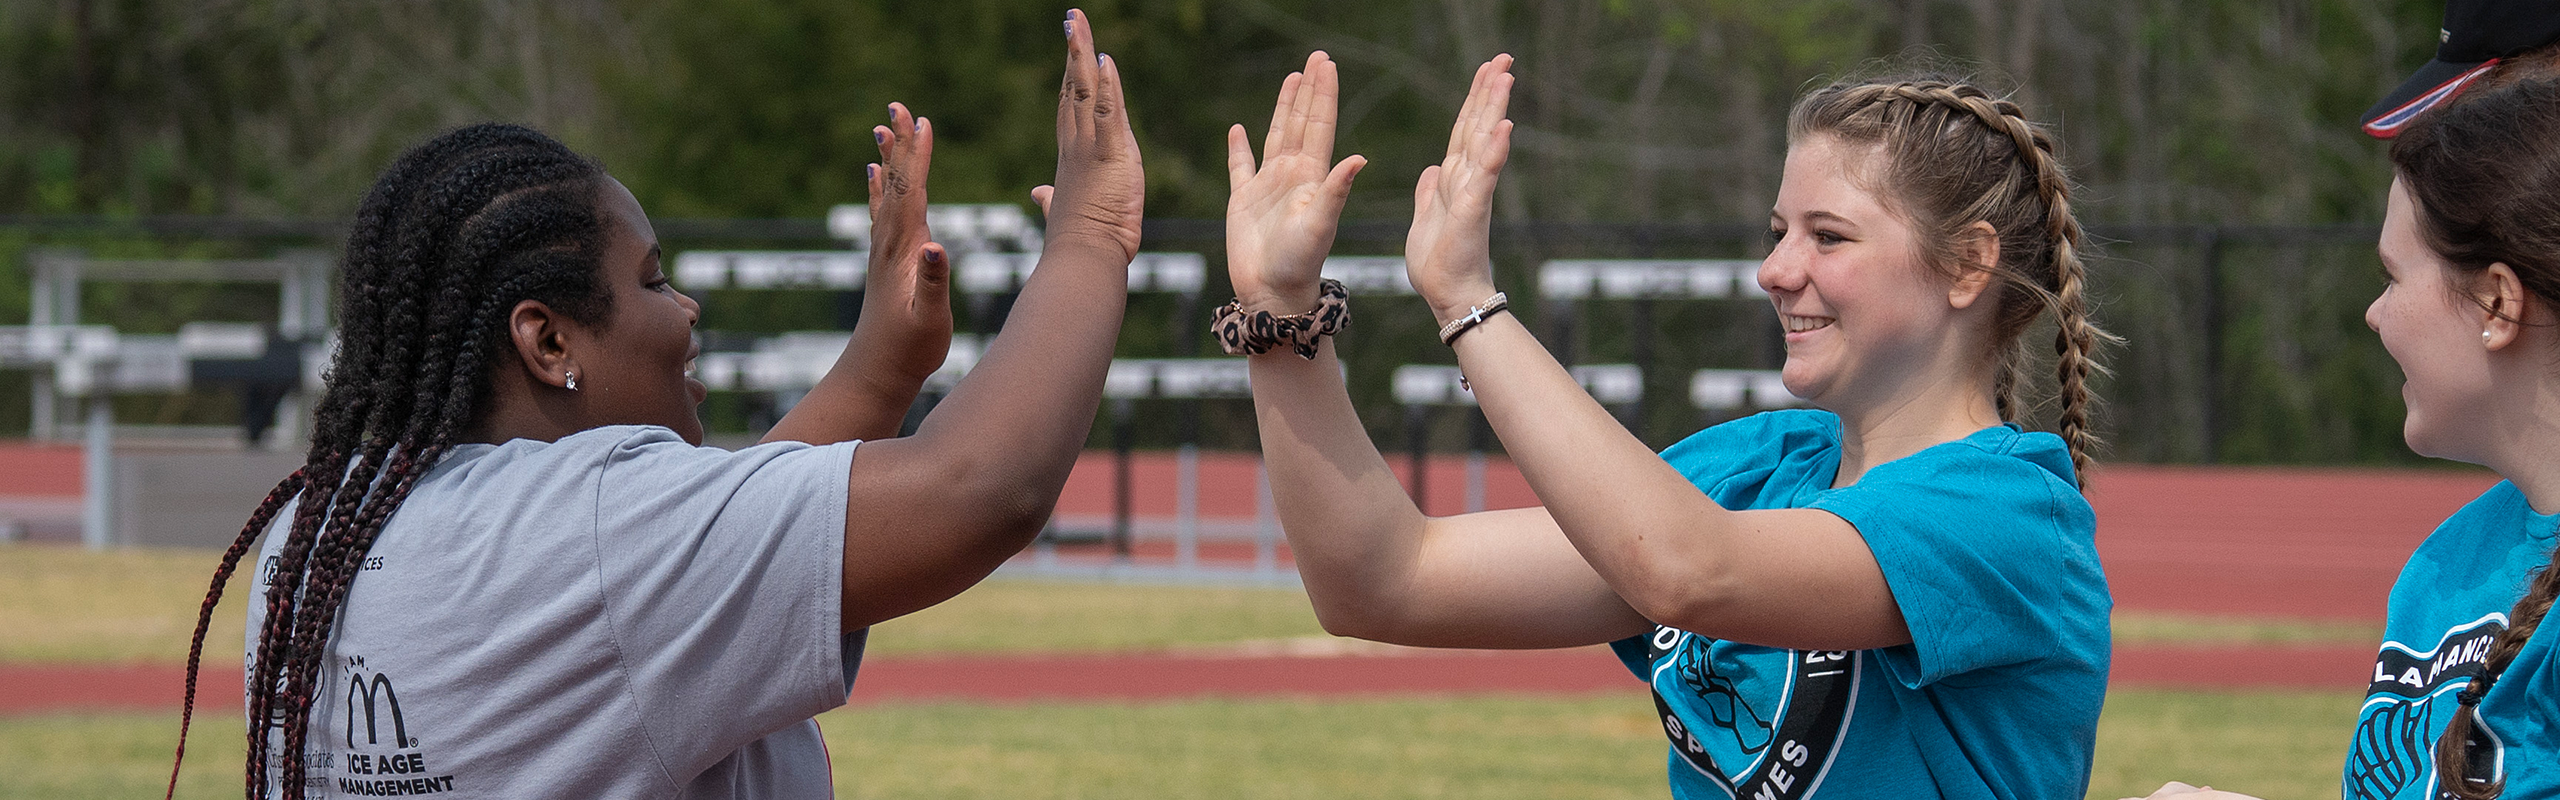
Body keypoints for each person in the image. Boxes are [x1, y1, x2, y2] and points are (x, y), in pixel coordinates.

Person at [166, 10, 1144, 797]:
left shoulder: (317, 527)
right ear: (549, 340)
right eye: (651, 279)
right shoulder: (596, 535)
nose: (685, 309)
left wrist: (878, 373)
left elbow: (685, 560)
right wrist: (1092, 231)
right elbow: (984, 487)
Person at [1221, 51, 2113, 798]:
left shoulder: (2008, 513)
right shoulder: (1760, 468)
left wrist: (1468, 302)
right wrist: (1280, 320)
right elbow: (1382, 581)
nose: (1774, 270)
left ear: (1969, 266)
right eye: (1777, 231)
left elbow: (1689, 570)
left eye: (1828, 237)